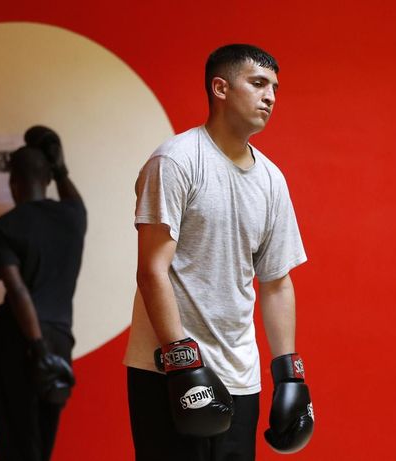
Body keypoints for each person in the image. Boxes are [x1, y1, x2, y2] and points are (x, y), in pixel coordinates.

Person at [124, 44, 314, 461]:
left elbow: (277, 283)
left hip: (239, 375)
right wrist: (183, 363)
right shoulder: (175, 161)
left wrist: (289, 374)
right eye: (259, 83)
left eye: (275, 89)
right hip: (168, 372)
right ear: (220, 88)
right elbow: (152, 270)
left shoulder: (271, 180)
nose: (270, 97)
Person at [0, 127, 86, 461]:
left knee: (17, 440)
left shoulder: (3, 227)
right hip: (60, 339)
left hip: (22, 340)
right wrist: (61, 168)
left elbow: (17, 290)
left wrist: (36, 347)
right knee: (43, 442)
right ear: (47, 177)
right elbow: (72, 196)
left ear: (13, 181)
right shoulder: (73, 217)